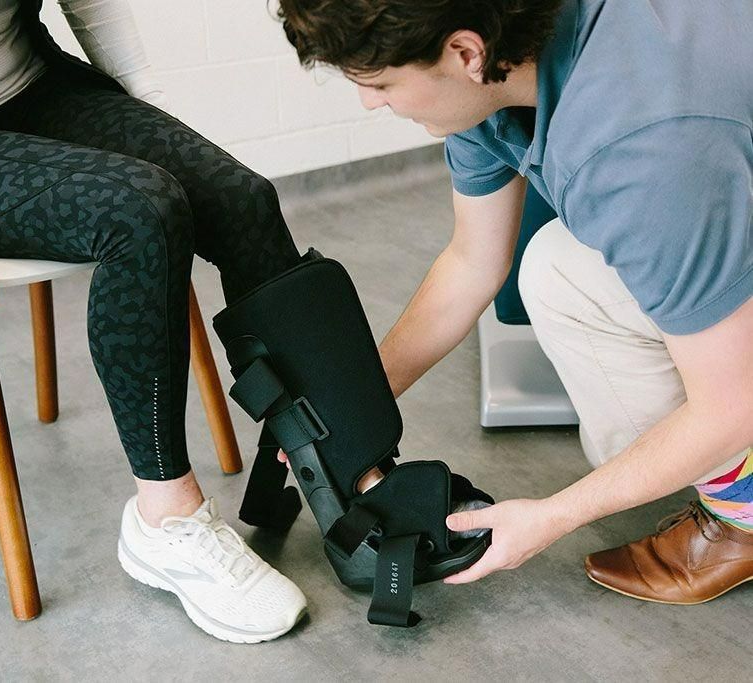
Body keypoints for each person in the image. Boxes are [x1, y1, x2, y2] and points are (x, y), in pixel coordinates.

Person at [275, 0, 753, 603]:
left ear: (465, 54)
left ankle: (748, 515)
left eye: (382, 83)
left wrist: (552, 516)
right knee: (557, 266)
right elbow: (472, 264)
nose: (371, 103)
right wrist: (349, 412)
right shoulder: (496, 73)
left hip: (691, 163)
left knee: (675, 433)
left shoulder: (645, 152)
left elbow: (732, 407)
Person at [0, 0, 307, 642]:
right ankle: (164, 520)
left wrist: (155, 120)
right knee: (139, 213)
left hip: (31, 86)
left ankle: (339, 460)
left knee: (240, 196)